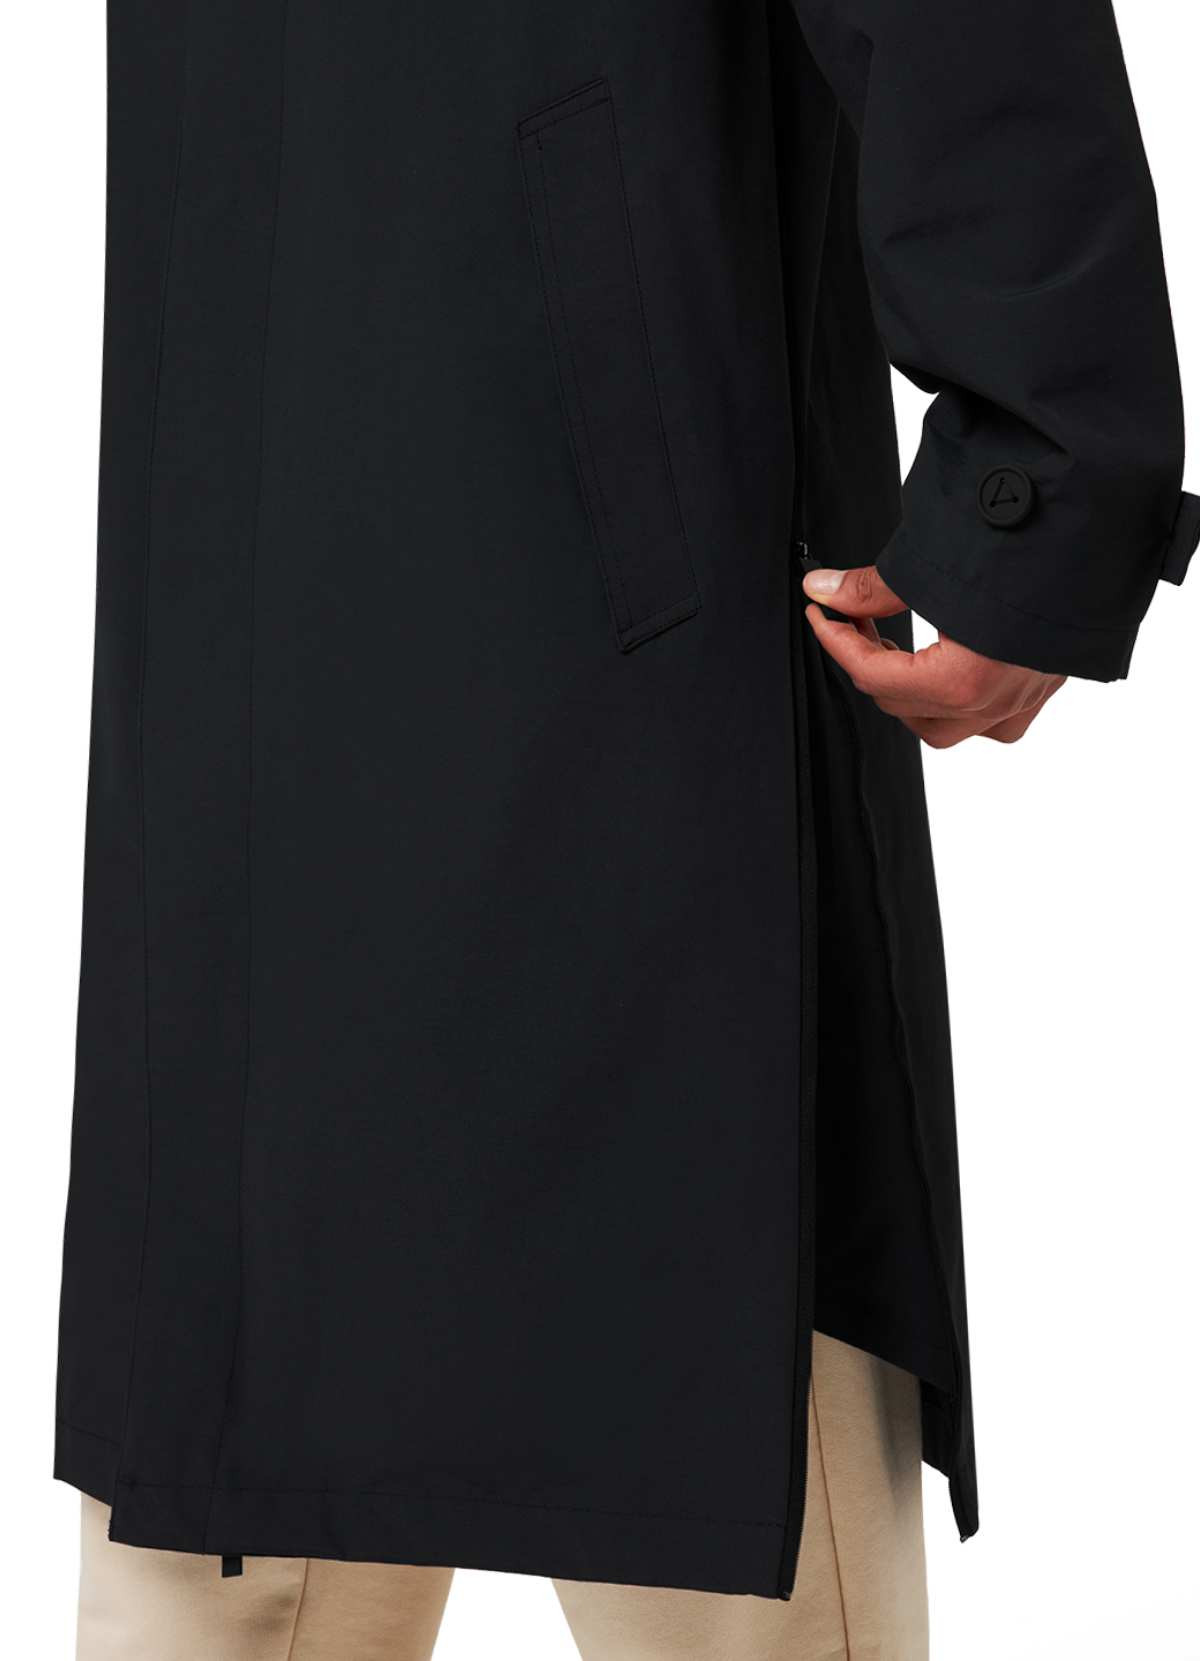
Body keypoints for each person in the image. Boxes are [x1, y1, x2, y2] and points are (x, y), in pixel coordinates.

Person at [57, 0, 1195, 1656]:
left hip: (605, 609)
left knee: (705, 1489)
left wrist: (1047, 485)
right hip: (241, 606)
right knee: (214, 1520)